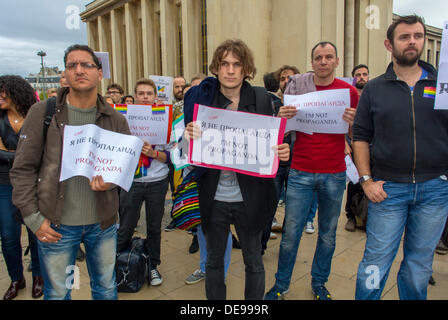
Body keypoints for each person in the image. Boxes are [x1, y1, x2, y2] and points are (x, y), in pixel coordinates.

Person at [10, 44, 131, 300]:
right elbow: (22, 170)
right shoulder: (43, 112)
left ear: (99, 72)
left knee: (106, 289)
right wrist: (33, 218)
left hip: (104, 224)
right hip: (56, 226)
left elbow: (123, 169)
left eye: (86, 64)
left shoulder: (116, 119)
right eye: (72, 65)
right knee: (57, 293)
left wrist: (111, 182)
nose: (79, 70)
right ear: (65, 73)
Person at [183, 39, 290, 300]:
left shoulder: (262, 98)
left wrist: (283, 154)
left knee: (253, 261)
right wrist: (188, 137)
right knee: (214, 263)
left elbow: (271, 146)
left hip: (250, 197)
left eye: (237, 64)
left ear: (246, 69)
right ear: (217, 68)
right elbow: (186, 154)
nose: (230, 70)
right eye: (224, 64)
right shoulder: (203, 100)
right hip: (214, 197)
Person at [353, 15, 448, 300]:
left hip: (435, 190)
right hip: (388, 190)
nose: (413, 42)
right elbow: (360, 137)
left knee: (419, 265)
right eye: (404, 37)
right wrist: (366, 180)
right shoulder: (374, 88)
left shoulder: (443, 86)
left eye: (418, 36)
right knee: (375, 262)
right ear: (389, 44)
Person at [265, 41, 358, 300]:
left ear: (337, 62)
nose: (324, 62)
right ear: (312, 62)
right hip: (300, 171)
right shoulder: (298, 91)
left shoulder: (349, 92)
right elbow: (282, 132)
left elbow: (356, 135)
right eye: (319, 57)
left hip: (334, 173)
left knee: (327, 235)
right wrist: (281, 116)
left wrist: (352, 123)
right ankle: (280, 285)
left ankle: (319, 283)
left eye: (329, 57)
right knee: (290, 235)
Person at [117, 78, 171, 287]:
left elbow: (172, 155)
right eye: (141, 93)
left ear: (155, 96)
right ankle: (120, 264)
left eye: (149, 93)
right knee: (126, 225)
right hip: (131, 180)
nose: (146, 97)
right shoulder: (123, 120)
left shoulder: (164, 119)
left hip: (157, 181)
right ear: (134, 96)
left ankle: (153, 266)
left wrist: (154, 153)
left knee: (154, 226)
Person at [0, 75, 43, 300]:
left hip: (33, 182)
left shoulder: (34, 116)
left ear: (16, 92)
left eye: (3, 91)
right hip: (4, 183)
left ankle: (38, 275)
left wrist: (10, 154)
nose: (0, 96)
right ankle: (16, 278)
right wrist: (26, 155)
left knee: (35, 232)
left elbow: (43, 149)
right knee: (8, 235)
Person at [344, 64, 370, 232]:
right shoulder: (348, 96)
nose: (361, 77)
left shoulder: (373, 95)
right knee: (354, 181)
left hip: (370, 143)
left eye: (364, 74)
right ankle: (351, 216)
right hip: (351, 142)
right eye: (358, 75)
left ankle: (366, 216)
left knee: (368, 180)